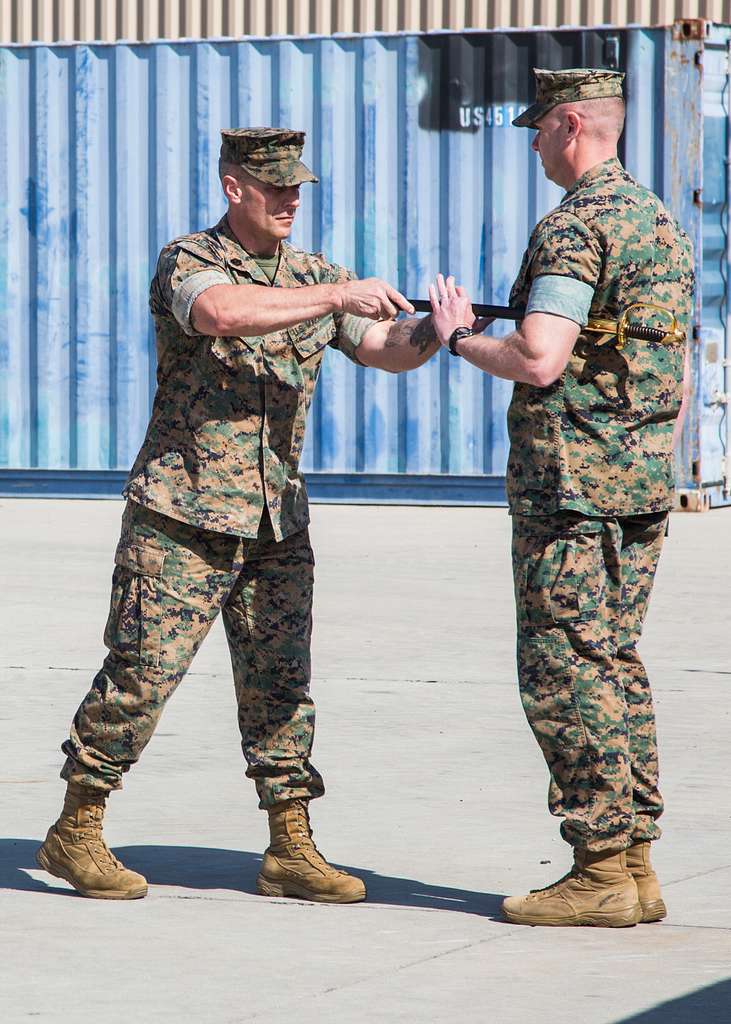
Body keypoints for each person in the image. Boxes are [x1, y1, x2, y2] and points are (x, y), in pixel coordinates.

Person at [37, 127, 440, 903]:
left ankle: (290, 844)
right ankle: (75, 827)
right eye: (276, 187)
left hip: (275, 520)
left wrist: (439, 331)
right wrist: (332, 297)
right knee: (140, 678)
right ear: (234, 189)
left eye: (298, 188)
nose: (291, 200)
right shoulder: (189, 261)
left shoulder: (318, 273)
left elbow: (383, 343)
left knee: (281, 685)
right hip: (181, 515)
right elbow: (219, 314)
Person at [428, 69, 694, 927]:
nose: (535, 144)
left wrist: (461, 336)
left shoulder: (575, 227)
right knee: (613, 664)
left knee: (561, 672)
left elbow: (539, 356)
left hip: (570, 490)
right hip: (639, 484)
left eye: (539, 129)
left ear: (570, 124)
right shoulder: (657, 222)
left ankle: (600, 869)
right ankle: (638, 863)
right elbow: (676, 372)